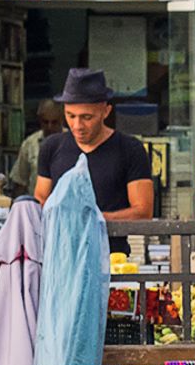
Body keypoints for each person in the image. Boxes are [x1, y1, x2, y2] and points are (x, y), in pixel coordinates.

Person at [34, 69, 154, 255]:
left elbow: (143, 212)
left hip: (111, 258)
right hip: (59, 255)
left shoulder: (130, 149)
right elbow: (41, 199)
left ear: (105, 111)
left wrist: (94, 219)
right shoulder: (51, 147)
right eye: (70, 115)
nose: (77, 126)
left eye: (86, 117)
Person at [9, 100, 65, 197]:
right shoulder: (29, 144)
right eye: (45, 122)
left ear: (62, 120)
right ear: (39, 121)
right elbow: (20, 182)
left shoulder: (73, 142)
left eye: (54, 122)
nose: (50, 127)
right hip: (37, 206)